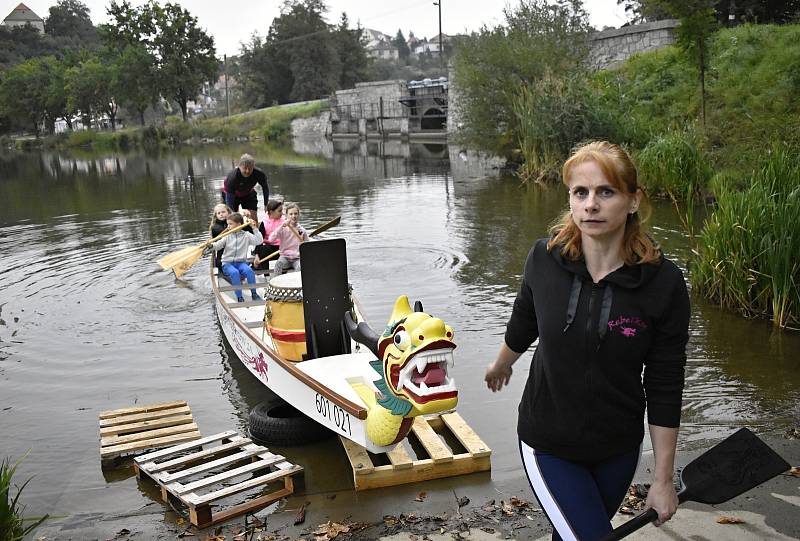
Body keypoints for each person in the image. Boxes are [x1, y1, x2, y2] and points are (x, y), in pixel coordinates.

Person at [484, 141, 690, 541]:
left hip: (617, 449)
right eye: (581, 192)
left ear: (633, 200)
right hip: (548, 442)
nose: (591, 204)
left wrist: (663, 479)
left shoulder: (663, 284)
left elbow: (665, 381)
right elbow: (526, 319)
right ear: (571, 200)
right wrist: (502, 363)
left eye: (606, 192)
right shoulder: (544, 259)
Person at [211, 212, 264, 303]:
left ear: (239, 225)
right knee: (235, 273)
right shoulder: (227, 236)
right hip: (227, 264)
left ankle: (254, 294)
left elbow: (259, 241)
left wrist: (254, 228)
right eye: (228, 224)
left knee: (249, 271)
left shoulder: (246, 235)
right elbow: (217, 245)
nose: (228, 227)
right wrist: (210, 245)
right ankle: (240, 297)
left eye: (230, 224)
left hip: (241, 263)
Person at [222, 153, 269, 224]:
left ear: (253, 167)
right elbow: (229, 200)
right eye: (245, 168)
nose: (247, 171)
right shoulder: (232, 178)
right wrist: (232, 214)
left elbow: (265, 188)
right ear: (239, 166)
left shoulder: (259, 174)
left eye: (250, 168)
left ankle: (255, 233)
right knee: (233, 217)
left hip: (248, 193)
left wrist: (266, 204)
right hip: (232, 195)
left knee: (253, 217)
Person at [268, 202, 309, 276]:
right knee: (278, 265)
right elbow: (271, 239)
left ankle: (296, 285)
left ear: (298, 215)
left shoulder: (302, 230)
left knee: (301, 267)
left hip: (297, 258)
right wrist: (281, 227)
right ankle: (274, 283)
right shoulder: (282, 229)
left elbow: (308, 246)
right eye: (291, 214)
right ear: (286, 216)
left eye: (296, 214)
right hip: (285, 257)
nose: (293, 216)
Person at [253, 199, 284, 270]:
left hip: (283, 247)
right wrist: (257, 255)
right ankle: (265, 273)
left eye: (282, 210)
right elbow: (259, 240)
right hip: (271, 247)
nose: (282, 213)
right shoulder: (264, 223)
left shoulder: (285, 221)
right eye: (279, 211)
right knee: (263, 249)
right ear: (271, 212)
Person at [209, 203, 233, 273]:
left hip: (234, 250)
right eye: (218, 213)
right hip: (222, 253)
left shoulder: (234, 223)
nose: (221, 214)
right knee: (220, 263)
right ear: (216, 216)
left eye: (223, 212)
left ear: (228, 212)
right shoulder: (215, 227)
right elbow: (216, 243)